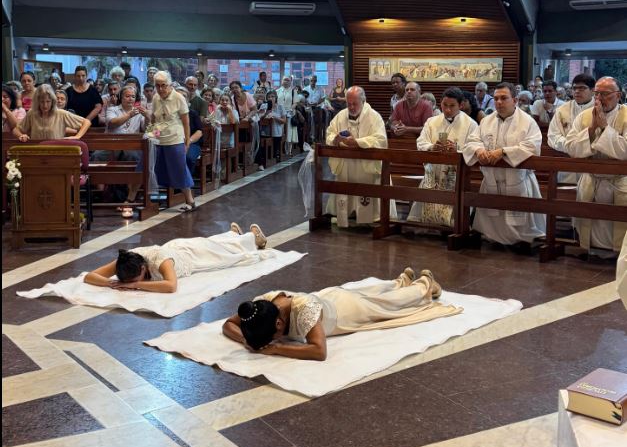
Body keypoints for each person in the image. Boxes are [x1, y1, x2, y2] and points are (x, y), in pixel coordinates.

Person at [222, 268, 459, 360]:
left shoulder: (305, 311)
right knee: (371, 293)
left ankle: (425, 284)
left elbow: (319, 351)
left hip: (346, 312)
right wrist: (247, 339)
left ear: (278, 322)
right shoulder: (260, 306)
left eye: (273, 336)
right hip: (328, 297)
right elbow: (227, 325)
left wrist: (275, 348)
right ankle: (401, 281)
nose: (273, 341)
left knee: (388, 305)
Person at [462, 82, 545, 248]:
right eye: (496, 98)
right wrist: (479, 151)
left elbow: (532, 145)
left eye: (504, 98)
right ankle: (492, 237)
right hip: (492, 179)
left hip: (517, 179)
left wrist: (503, 152)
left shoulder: (527, 122)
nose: (499, 102)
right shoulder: (487, 121)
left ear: (514, 100)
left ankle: (522, 241)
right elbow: (472, 140)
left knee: (521, 222)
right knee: (491, 221)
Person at [84, 223, 268, 293]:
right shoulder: (125, 261)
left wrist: (134, 285)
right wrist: (111, 283)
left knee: (227, 256)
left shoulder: (159, 260)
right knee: (218, 246)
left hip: (189, 255)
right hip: (177, 248)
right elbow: (89, 276)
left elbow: (171, 286)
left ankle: (253, 237)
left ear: (143, 268)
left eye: (136, 278)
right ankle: (233, 234)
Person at [563, 76, 627, 253]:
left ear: (618, 95)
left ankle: (618, 253)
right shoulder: (584, 117)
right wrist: (591, 129)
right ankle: (589, 250)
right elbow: (571, 148)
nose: (599, 98)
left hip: (620, 181)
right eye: (597, 93)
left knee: (617, 224)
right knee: (589, 225)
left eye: (605, 94)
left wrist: (606, 128)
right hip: (591, 179)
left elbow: (625, 151)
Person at [408, 87, 478, 226]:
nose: (447, 110)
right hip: (433, 172)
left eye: (452, 106)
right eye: (445, 105)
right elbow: (421, 142)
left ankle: (453, 226)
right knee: (425, 211)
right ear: (440, 103)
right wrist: (432, 147)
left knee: (452, 216)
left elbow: (474, 147)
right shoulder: (431, 122)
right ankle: (427, 226)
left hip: (456, 176)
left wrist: (457, 149)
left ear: (461, 105)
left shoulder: (470, 124)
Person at [325, 86, 388, 227]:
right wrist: (335, 139)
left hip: (365, 165)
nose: (351, 107)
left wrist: (358, 143)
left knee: (365, 191)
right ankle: (345, 213)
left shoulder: (374, 117)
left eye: (355, 104)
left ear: (363, 101)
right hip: (345, 162)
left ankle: (370, 217)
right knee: (344, 186)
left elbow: (380, 139)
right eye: (349, 104)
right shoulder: (341, 115)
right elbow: (329, 133)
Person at [151, 70, 196, 212]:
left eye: (163, 85)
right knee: (153, 168)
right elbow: (154, 119)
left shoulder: (178, 98)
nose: (160, 89)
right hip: (159, 139)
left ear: (169, 84)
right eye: (157, 86)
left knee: (179, 169)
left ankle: (190, 201)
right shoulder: (155, 98)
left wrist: (187, 142)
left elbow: (186, 123)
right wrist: (151, 133)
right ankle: (147, 200)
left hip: (175, 139)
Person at [547, 74, 595, 184]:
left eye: (582, 88)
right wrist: (572, 146)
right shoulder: (562, 110)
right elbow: (552, 136)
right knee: (565, 197)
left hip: (591, 165)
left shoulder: (600, 109)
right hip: (567, 165)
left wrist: (580, 147)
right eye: (574, 88)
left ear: (593, 90)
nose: (577, 91)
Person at [13, 84, 91, 141]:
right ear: (37, 102)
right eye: (42, 102)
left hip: (56, 152)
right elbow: (16, 130)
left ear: (53, 101)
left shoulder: (61, 113)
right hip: (36, 152)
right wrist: (21, 136)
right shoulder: (32, 113)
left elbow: (86, 122)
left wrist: (77, 136)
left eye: (48, 101)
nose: (45, 105)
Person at [276, 75, 298, 156]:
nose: (286, 81)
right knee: (280, 131)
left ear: (290, 81)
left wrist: (290, 110)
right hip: (280, 113)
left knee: (289, 132)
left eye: (287, 80)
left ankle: (289, 150)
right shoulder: (277, 91)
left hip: (290, 113)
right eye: (284, 80)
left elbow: (295, 103)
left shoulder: (293, 91)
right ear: (281, 81)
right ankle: (280, 149)